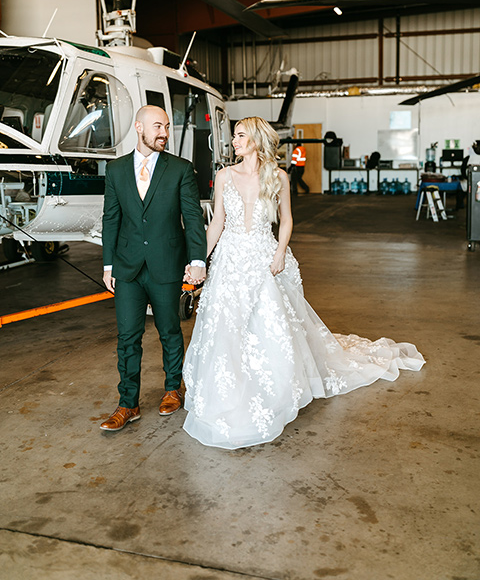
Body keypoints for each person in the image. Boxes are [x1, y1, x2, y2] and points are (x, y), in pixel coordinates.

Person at [182, 117, 425, 449]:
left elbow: (287, 219)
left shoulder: (278, 176)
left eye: (239, 136)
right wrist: (198, 260)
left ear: (254, 140)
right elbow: (218, 222)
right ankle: (229, 388)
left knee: (269, 324)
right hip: (231, 258)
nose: (234, 141)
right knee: (228, 323)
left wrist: (281, 252)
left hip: (265, 255)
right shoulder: (224, 175)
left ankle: (275, 389)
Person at [100, 105, 207, 432]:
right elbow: (111, 219)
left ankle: (173, 389)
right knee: (127, 337)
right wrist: (108, 264)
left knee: (170, 332)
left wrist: (198, 260)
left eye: (166, 127)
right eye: (157, 126)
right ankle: (127, 404)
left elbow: (192, 218)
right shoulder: (116, 170)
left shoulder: (180, 169)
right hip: (127, 267)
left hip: (166, 264)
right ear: (139, 127)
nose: (164, 133)